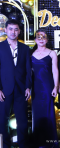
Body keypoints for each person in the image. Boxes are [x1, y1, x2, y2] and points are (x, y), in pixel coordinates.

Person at [0, 19, 32, 148]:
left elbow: (28, 69)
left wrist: (28, 86)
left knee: (23, 122)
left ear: (19, 31)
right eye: (11, 29)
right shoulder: (0, 47)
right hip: (4, 90)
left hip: (21, 89)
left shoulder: (25, 48)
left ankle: (23, 145)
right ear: (6, 30)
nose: (13, 32)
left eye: (16, 29)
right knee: (2, 121)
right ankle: (6, 146)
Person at [31, 29, 59, 148]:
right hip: (35, 88)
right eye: (39, 37)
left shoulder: (52, 53)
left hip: (47, 87)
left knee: (48, 114)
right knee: (36, 114)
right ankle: (38, 142)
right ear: (35, 39)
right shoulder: (30, 53)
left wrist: (56, 87)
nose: (41, 39)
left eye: (44, 37)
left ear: (47, 39)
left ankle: (50, 143)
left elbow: (55, 71)